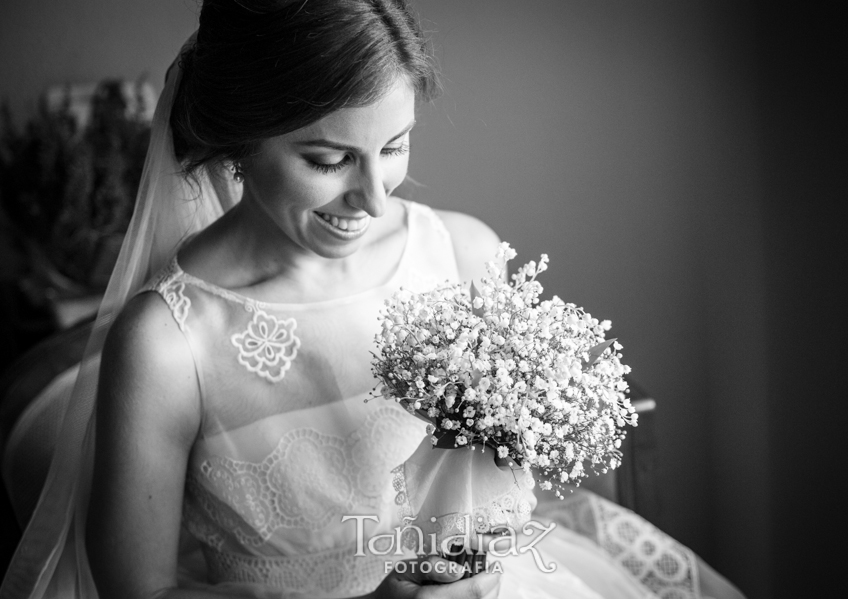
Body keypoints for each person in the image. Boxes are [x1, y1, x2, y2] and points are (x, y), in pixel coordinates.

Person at [1, 1, 746, 598]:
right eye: (329, 160)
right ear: (238, 143)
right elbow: (142, 588)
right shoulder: (167, 343)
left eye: (394, 146)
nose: (374, 194)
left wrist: (479, 553)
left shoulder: (463, 252)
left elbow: (511, 477)